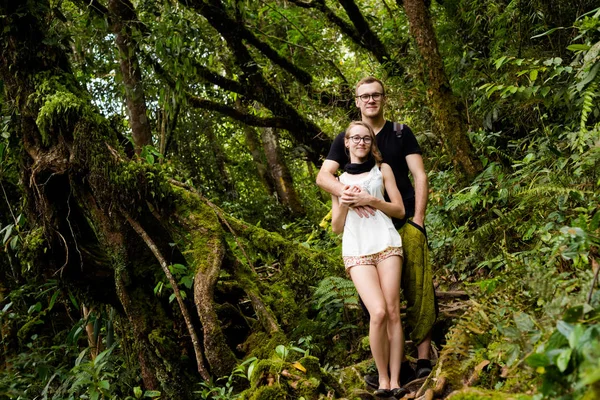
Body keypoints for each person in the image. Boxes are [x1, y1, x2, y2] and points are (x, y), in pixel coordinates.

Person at [317, 76, 437, 387]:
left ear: (384, 98)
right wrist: (346, 196)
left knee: (418, 287)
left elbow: (419, 175)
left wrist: (419, 219)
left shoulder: (399, 133)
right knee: (376, 306)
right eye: (364, 96)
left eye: (376, 95)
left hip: (403, 220)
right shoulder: (348, 137)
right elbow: (324, 177)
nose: (371, 100)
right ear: (356, 101)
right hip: (364, 232)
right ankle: (389, 369)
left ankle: (423, 357)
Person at [331, 121, 408, 399]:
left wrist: (371, 200)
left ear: (370, 143)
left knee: (392, 311)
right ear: (347, 143)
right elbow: (336, 227)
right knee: (376, 312)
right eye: (356, 138)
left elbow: (398, 210)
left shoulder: (382, 170)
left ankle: (396, 380)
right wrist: (344, 201)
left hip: (386, 242)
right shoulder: (338, 181)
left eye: (366, 138)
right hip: (357, 248)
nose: (361, 142)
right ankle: (383, 378)